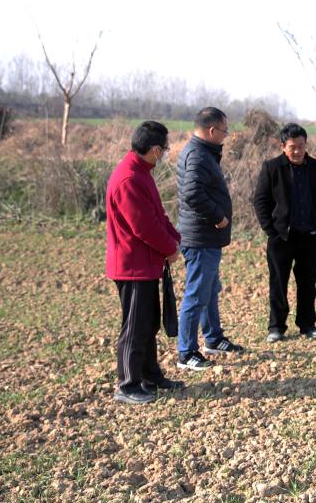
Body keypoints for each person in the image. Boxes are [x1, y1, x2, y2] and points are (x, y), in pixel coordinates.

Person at [105, 121, 184, 404]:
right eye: (165, 148)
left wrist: (175, 238)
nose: (165, 153)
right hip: (133, 266)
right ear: (154, 150)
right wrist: (169, 248)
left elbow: (157, 215)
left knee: (149, 324)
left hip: (145, 264)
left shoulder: (141, 172)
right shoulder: (129, 178)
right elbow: (144, 226)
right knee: (135, 326)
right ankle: (128, 385)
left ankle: (151, 376)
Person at [175, 107, 244, 371]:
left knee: (210, 290)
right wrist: (217, 216)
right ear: (212, 130)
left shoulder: (202, 152)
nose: (226, 136)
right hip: (200, 238)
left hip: (206, 237)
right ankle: (186, 352)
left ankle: (213, 338)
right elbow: (192, 193)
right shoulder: (198, 155)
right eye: (224, 131)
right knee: (196, 295)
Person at [254, 123, 316, 342]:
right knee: (278, 284)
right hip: (282, 237)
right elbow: (260, 201)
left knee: (308, 284)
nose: (297, 151)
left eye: (301, 146)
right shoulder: (272, 167)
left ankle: (307, 325)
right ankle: (276, 327)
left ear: (306, 144)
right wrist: (271, 231)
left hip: (310, 236)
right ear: (283, 146)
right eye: (292, 147)